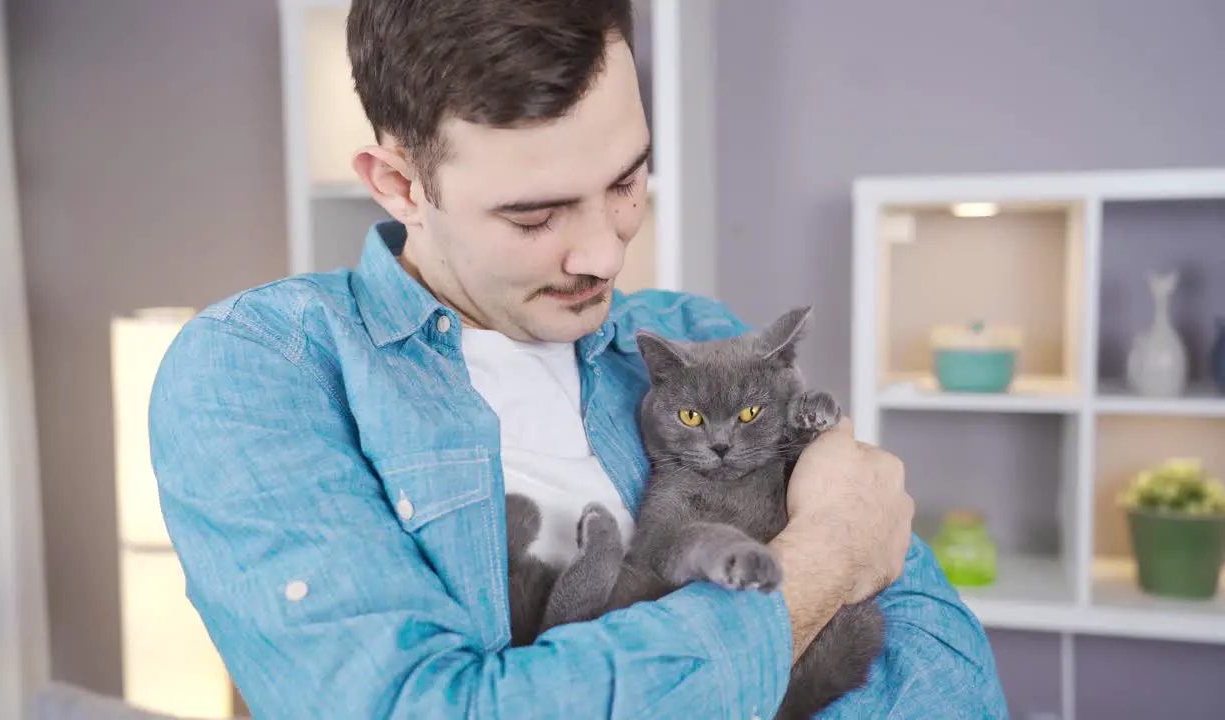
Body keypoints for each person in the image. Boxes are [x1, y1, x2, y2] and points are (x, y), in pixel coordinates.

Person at [148, 0, 1008, 717]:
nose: (606, 253)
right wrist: (828, 558)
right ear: (400, 185)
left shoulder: (691, 336)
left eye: (629, 181)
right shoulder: (262, 371)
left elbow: (952, 682)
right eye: (536, 217)